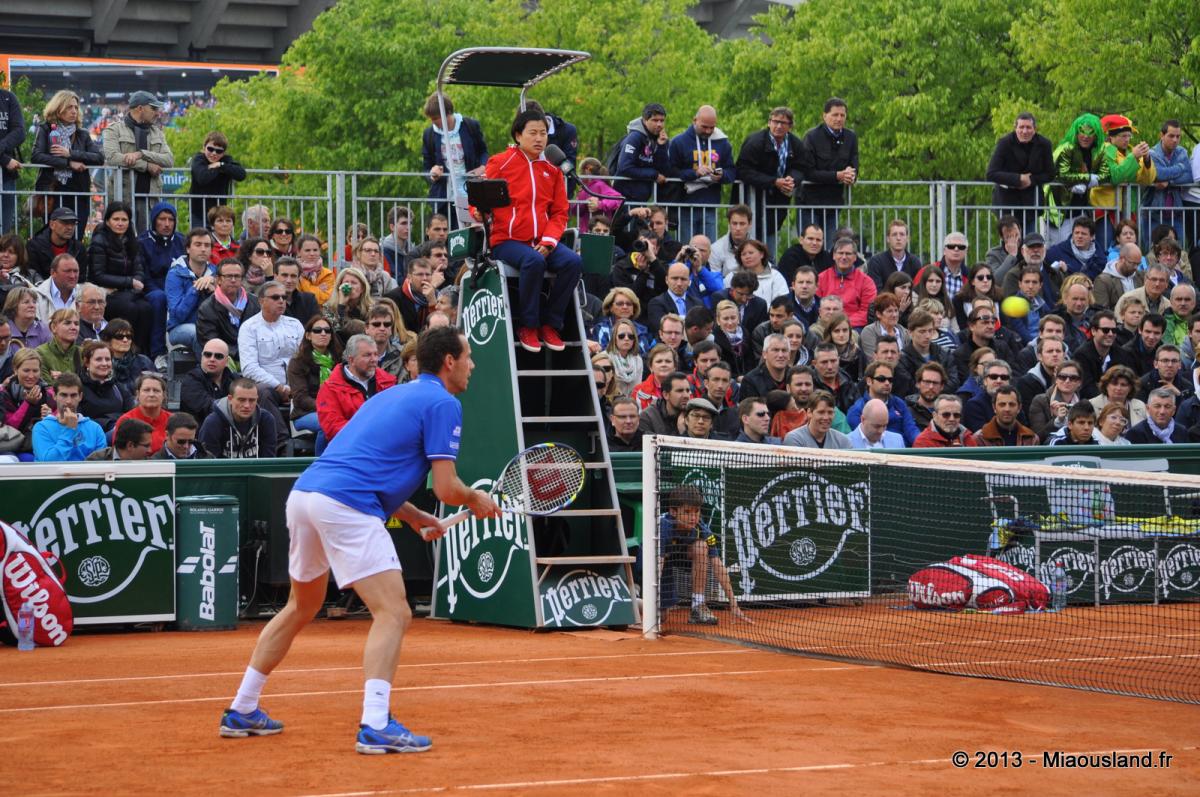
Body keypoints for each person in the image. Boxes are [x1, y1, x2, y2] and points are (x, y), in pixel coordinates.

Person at [221, 326, 500, 753]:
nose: (472, 365)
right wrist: (473, 498)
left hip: (306, 496)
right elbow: (447, 488)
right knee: (394, 612)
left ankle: (242, 707)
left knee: (302, 606)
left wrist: (410, 514)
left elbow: (361, 461)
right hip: (345, 503)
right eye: (468, 356)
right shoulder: (444, 403)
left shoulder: (391, 395)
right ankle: (375, 723)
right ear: (449, 361)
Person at [480, 109, 582, 353]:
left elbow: (559, 213)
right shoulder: (500, 162)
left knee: (573, 262)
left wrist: (549, 241)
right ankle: (528, 325)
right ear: (518, 135)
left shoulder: (553, 169)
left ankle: (551, 324)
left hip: (541, 241)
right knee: (534, 261)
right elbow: (480, 197)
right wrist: (479, 212)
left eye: (543, 133)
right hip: (507, 240)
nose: (539, 139)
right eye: (533, 133)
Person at [657, 485, 748, 625]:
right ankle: (638, 601)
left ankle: (697, 606)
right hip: (651, 563)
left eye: (696, 511)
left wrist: (734, 605)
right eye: (687, 512)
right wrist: (654, 597)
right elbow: (659, 563)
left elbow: (717, 564)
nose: (693, 517)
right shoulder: (663, 526)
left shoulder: (701, 528)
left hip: (679, 557)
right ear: (673, 511)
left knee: (701, 546)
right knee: (660, 617)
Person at [90, 201, 163, 357]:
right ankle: (123, 348)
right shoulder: (99, 241)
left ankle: (141, 351)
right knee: (130, 309)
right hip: (108, 291)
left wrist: (136, 280)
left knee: (146, 308)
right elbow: (98, 275)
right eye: (116, 219)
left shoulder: (132, 241)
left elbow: (139, 269)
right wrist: (129, 282)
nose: (120, 223)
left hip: (127, 291)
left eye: (124, 220)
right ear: (108, 220)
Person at [29, 90, 102, 236]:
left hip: (78, 193)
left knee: (76, 237)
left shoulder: (83, 134)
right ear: (58, 108)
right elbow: (36, 156)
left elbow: (99, 158)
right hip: (51, 193)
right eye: (69, 107)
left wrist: (70, 153)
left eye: (76, 107)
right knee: (52, 237)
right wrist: (68, 163)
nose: (74, 111)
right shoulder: (45, 129)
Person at [734, 108, 804, 256]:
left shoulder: (796, 144)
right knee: (749, 242)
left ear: (790, 126)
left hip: (777, 203)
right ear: (769, 122)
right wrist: (773, 182)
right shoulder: (755, 142)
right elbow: (742, 170)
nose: (778, 126)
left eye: (783, 123)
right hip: (751, 200)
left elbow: (802, 167)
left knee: (769, 242)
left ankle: (768, 266)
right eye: (775, 122)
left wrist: (792, 179)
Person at [102, 91, 174, 230]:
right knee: (121, 242)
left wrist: (141, 154)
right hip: (122, 199)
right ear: (140, 108)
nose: (158, 113)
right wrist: (146, 166)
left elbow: (169, 160)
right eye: (153, 108)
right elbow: (112, 158)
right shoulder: (113, 129)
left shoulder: (157, 132)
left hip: (150, 200)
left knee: (147, 243)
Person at [316, 333, 398, 444]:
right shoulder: (330, 389)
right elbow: (333, 427)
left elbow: (397, 418)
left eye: (375, 354)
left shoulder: (388, 382)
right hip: (350, 450)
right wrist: (369, 434)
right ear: (351, 360)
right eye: (367, 355)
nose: (374, 359)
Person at [667, 105, 734, 241]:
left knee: (708, 248)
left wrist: (722, 176)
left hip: (710, 204)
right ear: (694, 120)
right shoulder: (679, 142)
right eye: (704, 127)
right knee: (687, 248)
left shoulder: (722, 143)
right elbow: (671, 171)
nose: (708, 131)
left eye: (712, 127)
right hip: (685, 205)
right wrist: (694, 173)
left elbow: (732, 170)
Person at [421, 93, 488, 226]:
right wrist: (432, 173)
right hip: (443, 197)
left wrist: (482, 167)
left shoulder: (470, 126)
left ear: (448, 113)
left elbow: (483, 151)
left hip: (470, 194)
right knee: (444, 235)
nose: (433, 122)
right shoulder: (429, 134)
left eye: (436, 118)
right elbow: (426, 166)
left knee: (470, 234)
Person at [798, 98, 858, 245]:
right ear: (824, 116)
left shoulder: (851, 137)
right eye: (835, 115)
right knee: (810, 244)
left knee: (831, 246)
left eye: (842, 115)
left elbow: (854, 165)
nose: (839, 119)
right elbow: (808, 171)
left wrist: (851, 175)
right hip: (809, 202)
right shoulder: (811, 137)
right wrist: (837, 176)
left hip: (834, 202)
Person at [986, 113, 1055, 231]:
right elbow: (991, 173)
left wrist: (1031, 180)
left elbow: (1050, 174)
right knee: (1009, 243)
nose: (1024, 131)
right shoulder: (1004, 143)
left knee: (1029, 243)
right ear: (1015, 128)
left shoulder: (1044, 144)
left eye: (1028, 127)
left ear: (1035, 129)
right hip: (1006, 204)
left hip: (1031, 204)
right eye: (1021, 127)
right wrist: (1018, 179)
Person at [32, 372, 106, 461]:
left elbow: (101, 465)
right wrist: (69, 429)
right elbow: (49, 463)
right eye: (64, 395)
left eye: (73, 395)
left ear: (80, 397)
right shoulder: (42, 428)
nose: (69, 401)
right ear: (54, 396)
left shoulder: (95, 428)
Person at [165, 228, 217, 356]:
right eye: (198, 245)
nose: (203, 249)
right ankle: (206, 372)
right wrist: (196, 288)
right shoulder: (175, 274)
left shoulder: (216, 274)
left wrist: (214, 292)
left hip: (210, 326)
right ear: (188, 249)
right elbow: (178, 315)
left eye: (207, 245)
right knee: (198, 332)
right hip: (180, 328)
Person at [198, 377, 278, 459]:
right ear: (230, 399)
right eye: (241, 400)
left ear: (257, 399)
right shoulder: (213, 423)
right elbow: (208, 464)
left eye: (252, 400)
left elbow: (268, 461)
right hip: (223, 471)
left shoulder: (266, 420)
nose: (247, 405)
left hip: (256, 471)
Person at [197, 258, 260, 362]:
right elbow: (211, 342)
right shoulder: (206, 309)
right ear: (218, 280)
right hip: (224, 357)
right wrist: (242, 355)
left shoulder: (255, 303)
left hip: (254, 355)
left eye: (237, 276)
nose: (233, 280)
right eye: (229, 276)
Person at [138, 204, 186, 339]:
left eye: (171, 220)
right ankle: (158, 351)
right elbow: (144, 275)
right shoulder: (142, 242)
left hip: (178, 289)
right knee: (160, 298)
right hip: (153, 290)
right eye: (162, 219)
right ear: (154, 221)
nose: (167, 224)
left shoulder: (182, 241)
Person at [1, 348, 55, 456]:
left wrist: (50, 417)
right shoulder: (5, 393)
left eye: (35, 371)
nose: (31, 376)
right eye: (26, 370)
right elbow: (11, 426)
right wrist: (28, 404)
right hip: (12, 447)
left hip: (42, 446)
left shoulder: (49, 394)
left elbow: (60, 424)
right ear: (15, 370)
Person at [614, 102, 671, 204]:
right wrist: (653, 174)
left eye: (662, 121)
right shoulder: (634, 137)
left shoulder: (661, 139)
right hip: (624, 198)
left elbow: (664, 171)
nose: (659, 124)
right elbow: (625, 167)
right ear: (645, 120)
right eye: (655, 120)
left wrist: (661, 147)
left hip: (642, 199)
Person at [817, 237, 876, 329]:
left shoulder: (866, 282)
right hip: (825, 325)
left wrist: (843, 323)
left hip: (854, 327)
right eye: (840, 253)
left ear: (855, 257)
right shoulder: (821, 278)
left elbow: (867, 311)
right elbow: (816, 306)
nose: (844, 257)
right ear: (834, 255)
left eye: (848, 254)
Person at [189, 131, 246, 224]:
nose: (214, 153)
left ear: (223, 153)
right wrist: (219, 169)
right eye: (210, 149)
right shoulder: (198, 159)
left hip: (219, 213)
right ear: (204, 148)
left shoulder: (225, 161)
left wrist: (220, 165)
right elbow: (202, 178)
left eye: (219, 151)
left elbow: (241, 174)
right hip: (199, 213)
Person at [77, 340, 132, 433]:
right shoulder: (77, 387)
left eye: (107, 359)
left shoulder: (117, 387)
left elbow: (131, 413)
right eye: (98, 359)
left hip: (119, 432)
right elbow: (78, 420)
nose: (104, 363)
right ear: (87, 362)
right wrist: (109, 423)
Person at [180, 338, 236, 425]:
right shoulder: (191, 379)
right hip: (199, 434)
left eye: (218, 356)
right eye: (208, 355)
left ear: (227, 361)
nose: (212, 359)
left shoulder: (234, 379)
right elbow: (207, 408)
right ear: (202, 357)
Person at [113, 372, 171, 455]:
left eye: (156, 390)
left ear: (164, 395)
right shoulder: (126, 421)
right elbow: (119, 454)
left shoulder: (172, 420)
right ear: (137, 394)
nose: (151, 394)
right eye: (146, 390)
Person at [1029, 360, 1084, 442]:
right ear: (1056, 379)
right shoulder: (1040, 401)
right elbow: (1038, 438)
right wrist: (1057, 421)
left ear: (1079, 382)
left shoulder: (1083, 405)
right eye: (1062, 377)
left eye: (1073, 378)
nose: (1067, 381)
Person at [25, 207, 87, 282]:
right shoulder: (34, 246)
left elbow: (81, 278)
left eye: (73, 223)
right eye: (65, 223)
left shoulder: (79, 248)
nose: (70, 227)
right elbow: (34, 276)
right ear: (52, 225)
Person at [101, 319, 154, 397]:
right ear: (108, 339)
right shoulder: (102, 364)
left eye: (129, 336)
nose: (125, 340)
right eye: (119, 336)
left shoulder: (144, 362)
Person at [865, 219, 923, 290]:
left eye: (902, 234)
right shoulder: (876, 262)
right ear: (888, 239)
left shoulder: (915, 262)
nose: (898, 238)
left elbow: (918, 290)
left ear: (907, 239)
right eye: (894, 234)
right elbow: (876, 291)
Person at [972, 385, 1038, 446]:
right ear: (994, 407)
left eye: (1012, 404)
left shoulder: (1032, 438)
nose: (1007, 409)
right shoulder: (979, 438)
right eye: (1002, 404)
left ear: (1019, 408)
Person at [783, 390, 852, 449]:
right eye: (821, 412)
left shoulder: (842, 440)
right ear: (809, 412)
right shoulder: (795, 438)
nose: (826, 417)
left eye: (830, 412)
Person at [322, 267, 373, 339]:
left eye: (354, 283)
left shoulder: (371, 308)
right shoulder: (329, 307)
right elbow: (336, 333)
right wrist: (341, 306)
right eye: (346, 283)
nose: (349, 286)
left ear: (362, 288)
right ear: (339, 287)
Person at [913, 394, 978, 448]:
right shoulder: (923, 442)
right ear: (935, 416)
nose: (951, 419)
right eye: (946, 415)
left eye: (956, 415)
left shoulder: (967, 437)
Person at [0, 83, 23, 234]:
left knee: (4, 231)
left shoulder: (8, 98)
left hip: (6, 176)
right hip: (6, 164)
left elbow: (20, 132)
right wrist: (4, 159)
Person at [34, 307, 80, 381]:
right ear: (53, 327)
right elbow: (47, 387)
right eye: (67, 323)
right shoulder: (40, 353)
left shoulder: (83, 353)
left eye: (76, 324)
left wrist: (63, 378)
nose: (73, 327)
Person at [275, 256, 319, 324]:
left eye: (293, 276)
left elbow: (316, 326)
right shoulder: (268, 301)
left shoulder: (309, 300)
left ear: (298, 278)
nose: (289, 280)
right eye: (284, 275)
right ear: (275, 276)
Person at [86, 417, 153, 461]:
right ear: (130, 445)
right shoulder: (96, 461)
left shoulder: (149, 464)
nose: (150, 450)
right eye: (146, 446)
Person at [3, 286, 49, 351]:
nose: (32, 305)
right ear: (14, 306)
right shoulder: (3, 330)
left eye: (34, 302)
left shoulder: (44, 330)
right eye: (26, 302)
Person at [296, 234, 335, 305]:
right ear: (299, 252)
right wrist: (318, 289)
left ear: (319, 251)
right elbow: (297, 299)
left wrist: (302, 282)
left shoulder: (328, 274)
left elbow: (324, 299)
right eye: (307, 250)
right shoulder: (293, 272)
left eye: (315, 250)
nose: (312, 253)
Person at [380, 206, 416, 276]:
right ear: (392, 227)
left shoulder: (412, 250)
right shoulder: (384, 250)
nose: (408, 227)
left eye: (410, 223)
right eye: (404, 223)